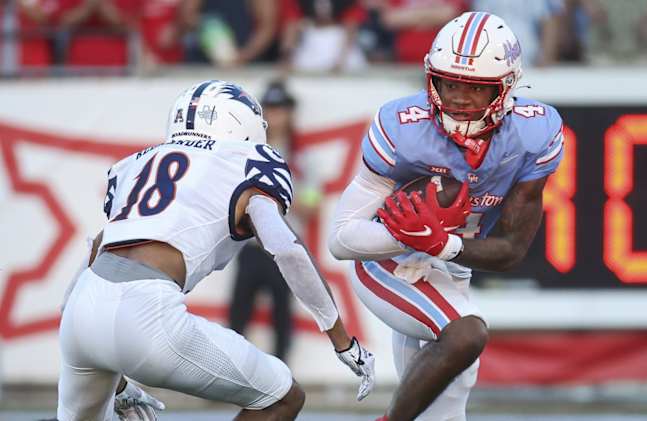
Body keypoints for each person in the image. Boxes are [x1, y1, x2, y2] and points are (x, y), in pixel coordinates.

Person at [58, 79, 375, 421]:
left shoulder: (137, 163)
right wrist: (342, 340)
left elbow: (97, 250)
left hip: (80, 313)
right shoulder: (243, 163)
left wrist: (114, 381)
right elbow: (287, 249)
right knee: (283, 397)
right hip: (147, 313)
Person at [328, 11, 564, 421]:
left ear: (506, 88)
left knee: (446, 410)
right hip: (386, 261)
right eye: (448, 82)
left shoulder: (533, 133)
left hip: (450, 265)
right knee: (465, 334)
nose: (457, 96)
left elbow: (510, 251)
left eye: (475, 88)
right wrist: (410, 236)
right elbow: (341, 239)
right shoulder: (402, 127)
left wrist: (441, 244)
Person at [228, 80, 306, 362]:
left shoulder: (301, 157)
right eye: (271, 109)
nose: (276, 115)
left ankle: (281, 377)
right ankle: (233, 372)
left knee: (282, 315)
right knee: (238, 313)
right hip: (250, 246)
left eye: (281, 108)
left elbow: (311, 203)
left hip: (283, 246)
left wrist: (285, 196)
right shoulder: (248, 152)